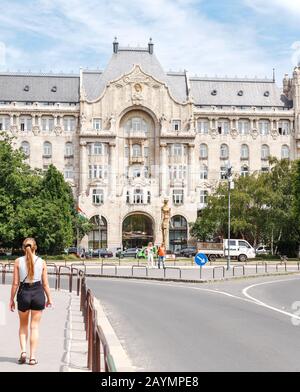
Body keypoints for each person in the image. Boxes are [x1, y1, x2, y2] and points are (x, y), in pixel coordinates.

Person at [9, 237, 53, 366]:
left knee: (23, 326)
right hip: (38, 293)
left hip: (23, 294)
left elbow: (15, 283)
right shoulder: (42, 262)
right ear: (36, 248)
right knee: (34, 327)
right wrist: (49, 298)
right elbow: (45, 284)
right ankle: (32, 357)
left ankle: (23, 352)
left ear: (23, 248)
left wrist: (11, 299)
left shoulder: (17, 261)